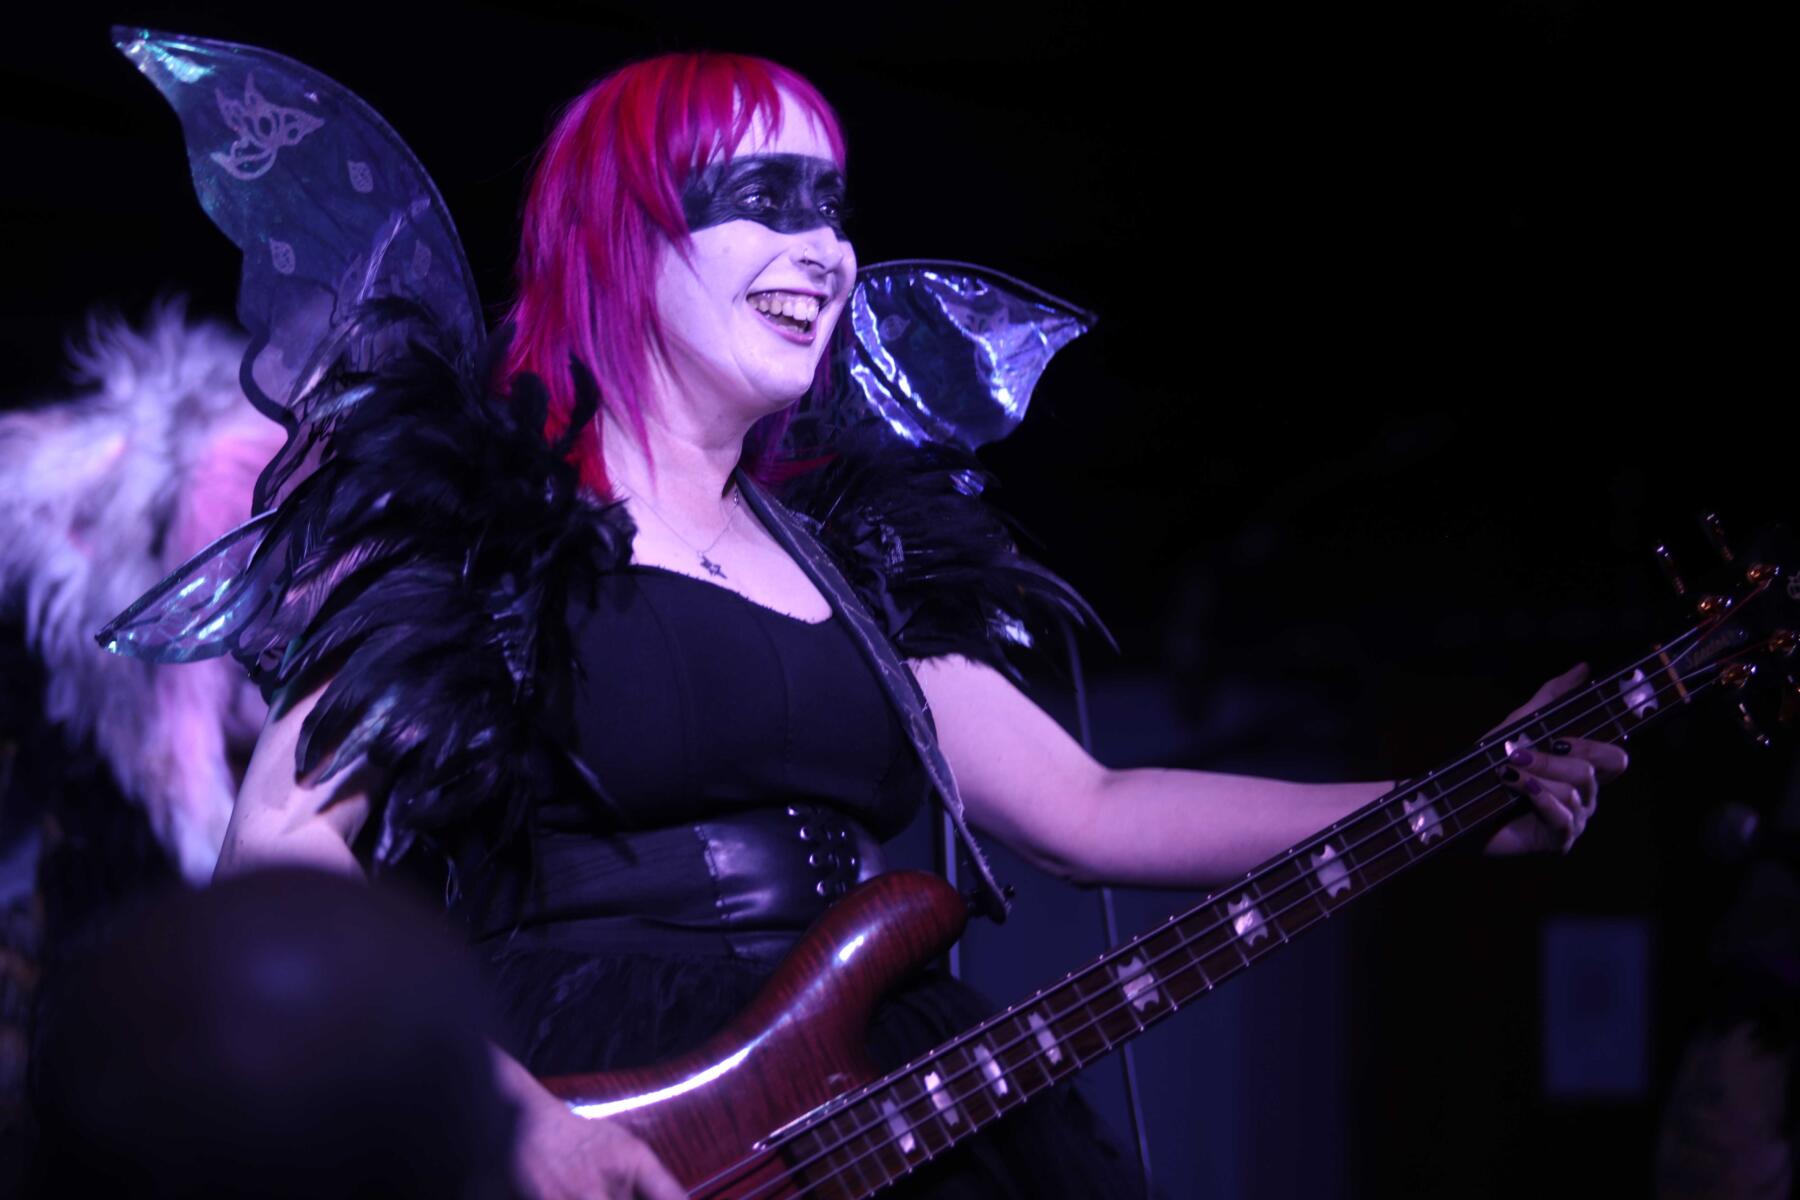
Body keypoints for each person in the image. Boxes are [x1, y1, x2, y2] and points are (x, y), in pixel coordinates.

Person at [107, 38, 1626, 1200]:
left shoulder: (854, 557)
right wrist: (509, 1115)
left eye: (831, 206)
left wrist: (1445, 800)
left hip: (875, 1094)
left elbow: (1090, 807)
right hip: (599, 1094)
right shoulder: (480, 530)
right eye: (763, 202)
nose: (826, 249)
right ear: (625, 237)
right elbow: (281, 859)